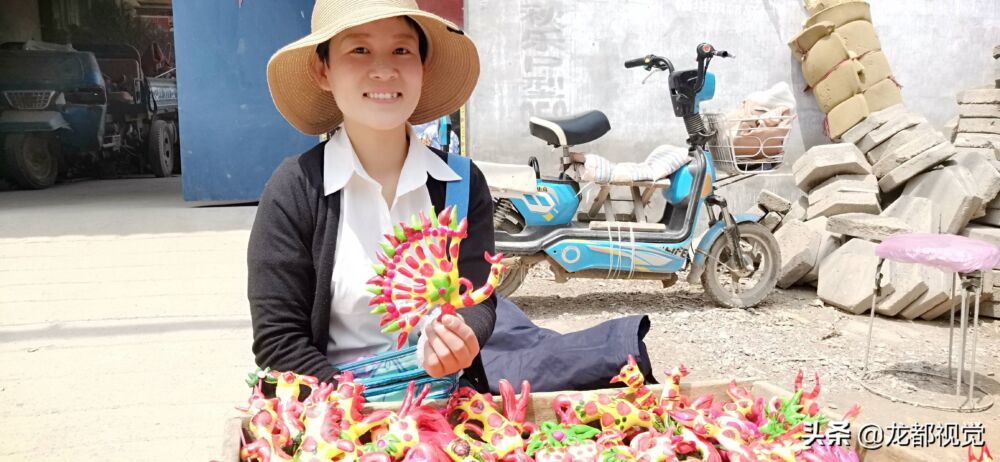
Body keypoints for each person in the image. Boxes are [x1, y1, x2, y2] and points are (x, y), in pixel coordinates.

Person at [248, 0, 495, 392]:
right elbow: (278, 341)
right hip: (330, 415)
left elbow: (477, 297)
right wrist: (362, 407)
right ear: (322, 69)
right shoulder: (295, 190)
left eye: (402, 50)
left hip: (446, 411)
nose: (384, 69)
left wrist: (462, 335)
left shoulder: (462, 184)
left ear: (423, 66)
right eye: (359, 50)